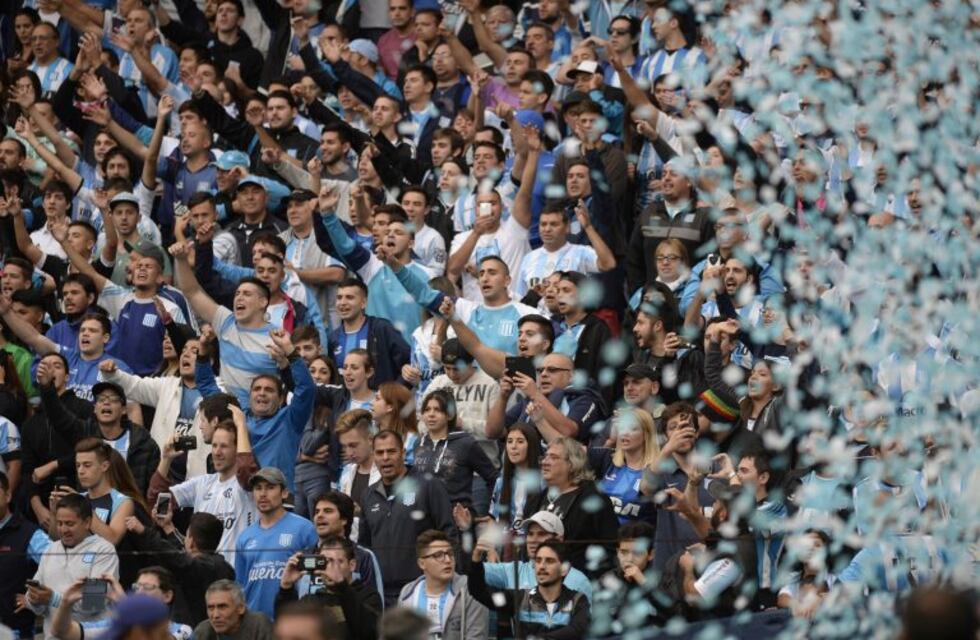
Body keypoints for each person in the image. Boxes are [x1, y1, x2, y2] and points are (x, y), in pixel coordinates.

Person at [146, 410, 258, 565]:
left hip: (235, 577)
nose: (217, 452)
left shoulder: (248, 485)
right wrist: (166, 459)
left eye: (224, 446)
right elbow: (157, 501)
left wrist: (240, 425)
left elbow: (246, 468)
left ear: (237, 449)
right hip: (203, 574)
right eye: (214, 446)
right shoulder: (202, 483)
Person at [359, 430, 457, 605]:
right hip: (381, 594)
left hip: (422, 590)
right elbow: (365, 546)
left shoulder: (428, 485)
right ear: (373, 456)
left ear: (403, 453)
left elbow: (448, 532)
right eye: (380, 453)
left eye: (391, 451)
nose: (385, 457)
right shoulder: (368, 495)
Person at [38, 371, 160, 494]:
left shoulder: (142, 442)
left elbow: (152, 488)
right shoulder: (85, 432)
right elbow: (59, 417)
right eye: (101, 399)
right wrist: (47, 388)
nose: (106, 402)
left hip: (130, 509)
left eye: (113, 399)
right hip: (91, 509)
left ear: (123, 410)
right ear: (95, 409)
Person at [21, 494, 119, 637]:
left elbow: (94, 602)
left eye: (69, 524)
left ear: (87, 522)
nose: (63, 529)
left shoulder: (104, 550)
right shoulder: (50, 550)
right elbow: (37, 606)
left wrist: (52, 598)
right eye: (59, 523)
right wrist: (34, 599)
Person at [524, 437, 620, 577]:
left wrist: (583, 579)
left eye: (553, 457)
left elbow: (611, 546)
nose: (545, 462)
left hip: (579, 583)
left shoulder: (594, 499)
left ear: (572, 464)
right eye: (545, 457)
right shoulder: (536, 499)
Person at [125, 512, 236, 627]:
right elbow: (181, 555)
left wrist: (144, 531)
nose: (184, 541)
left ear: (191, 542)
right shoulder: (226, 567)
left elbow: (175, 557)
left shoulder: (196, 568)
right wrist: (167, 527)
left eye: (186, 536)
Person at [234, 468, 319, 619]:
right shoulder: (244, 537)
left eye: (270, 487)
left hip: (291, 620)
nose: (263, 494)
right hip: (254, 624)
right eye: (258, 488)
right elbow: (240, 585)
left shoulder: (304, 528)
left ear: (284, 493)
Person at [467, 540, 590, 638]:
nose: (542, 566)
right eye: (538, 560)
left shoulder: (577, 600)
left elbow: (577, 629)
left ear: (564, 569)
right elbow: (480, 592)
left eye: (549, 561)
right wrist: (476, 558)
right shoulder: (519, 599)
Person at [275, 536, 382, 640]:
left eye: (338, 562)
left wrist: (342, 586)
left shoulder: (368, 596)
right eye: (325, 563)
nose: (330, 568)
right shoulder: (312, 600)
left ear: (352, 565)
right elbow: (287, 626)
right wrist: (286, 588)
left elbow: (370, 632)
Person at [412, 389, 498, 512]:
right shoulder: (418, 444)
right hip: (424, 520)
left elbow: (494, 478)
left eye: (437, 410)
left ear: (449, 415)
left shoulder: (466, 443)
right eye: (427, 409)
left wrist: (489, 513)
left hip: (456, 522)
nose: (431, 414)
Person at [397, 530, 489, 640]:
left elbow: (476, 637)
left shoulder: (472, 589)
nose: (447, 560)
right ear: (422, 563)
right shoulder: (408, 593)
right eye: (438, 555)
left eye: (450, 554)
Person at [0, 470, 51, 638]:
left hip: (16, 631)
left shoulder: (30, 534)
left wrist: (33, 600)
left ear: (8, 496)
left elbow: (59, 565)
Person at [308, 491, 384, 597]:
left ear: (344, 519)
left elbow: (375, 608)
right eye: (317, 512)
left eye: (328, 511)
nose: (319, 515)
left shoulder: (363, 557)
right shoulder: (304, 556)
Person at [192, 580, 275, 640]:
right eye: (211, 608)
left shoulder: (259, 626)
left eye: (222, 607)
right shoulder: (203, 631)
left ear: (241, 608)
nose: (215, 615)